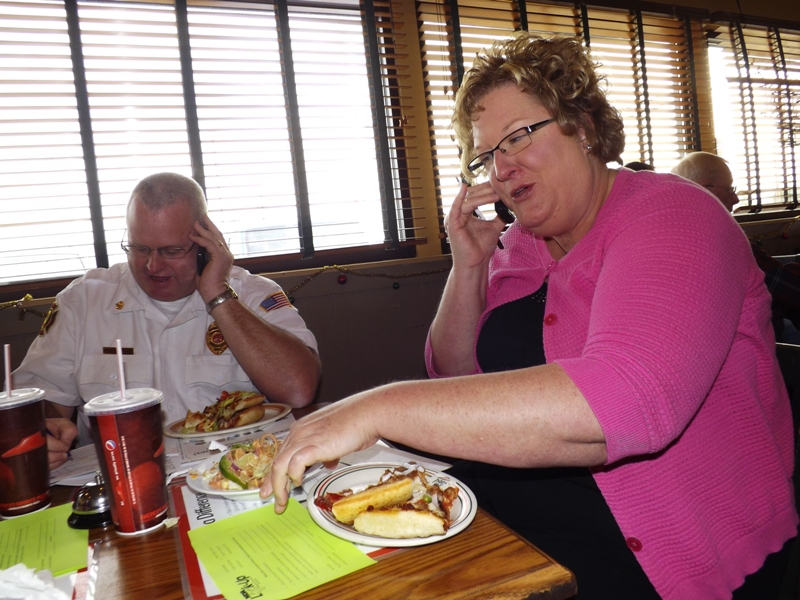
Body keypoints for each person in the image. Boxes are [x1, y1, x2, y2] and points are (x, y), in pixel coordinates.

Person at [261, 35, 797, 600]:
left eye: (518, 136)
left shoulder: (674, 214)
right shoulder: (520, 245)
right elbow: (457, 376)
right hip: (504, 523)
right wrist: (468, 265)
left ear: (582, 127)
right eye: (486, 156)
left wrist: (375, 408)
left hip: (661, 550)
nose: (501, 166)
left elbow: (626, 403)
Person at [14, 172, 321, 468]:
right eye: (139, 248)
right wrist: (42, 428)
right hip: (120, 476)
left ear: (205, 244)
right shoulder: (83, 302)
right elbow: (36, 401)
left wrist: (218, 294)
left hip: (234, 473)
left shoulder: (252, 295)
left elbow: (299, 389)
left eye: (171, 251)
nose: (153, 265)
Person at [672, 151, 800, 341]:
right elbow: (785, 285)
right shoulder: (720, 238)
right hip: (756, 340)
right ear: (705, 189)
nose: (736, 199)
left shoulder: (671, 233)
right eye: (730, 190)